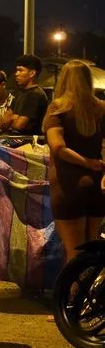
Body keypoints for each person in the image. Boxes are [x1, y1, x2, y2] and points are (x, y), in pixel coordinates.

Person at [42, 60, 105, 264]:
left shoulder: (58, 107)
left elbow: (58, 148)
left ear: (63, 80)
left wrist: (87, 163)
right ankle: (91, 284)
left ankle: (74, 286)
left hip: (67, 186)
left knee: (74, 253)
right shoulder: (101, 108)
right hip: (96, 185)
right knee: (93, 249)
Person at [1, 55, 49, 135]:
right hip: (14, 139)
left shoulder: (36, 95)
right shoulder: (19, 93)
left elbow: (19, 125)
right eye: (16, 70)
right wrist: (15, 118)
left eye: (20, 70)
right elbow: (3, 121)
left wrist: (12, 118)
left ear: (32, 73)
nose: (16, 74)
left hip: (28, 141)